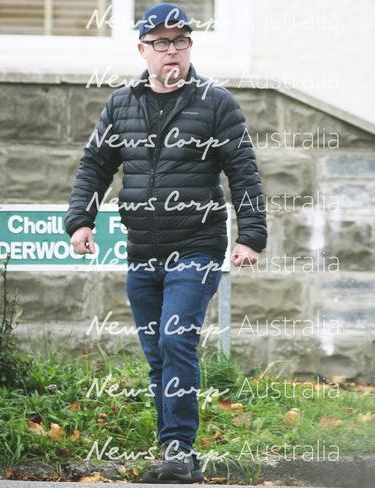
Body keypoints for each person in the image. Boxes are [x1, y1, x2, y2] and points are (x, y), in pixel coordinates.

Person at [65, 2, 267, 483]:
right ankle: (173, 451)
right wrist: (80, 221)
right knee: (159, 354)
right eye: (160, 43)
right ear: (143, 49)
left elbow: (243, 172)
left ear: (189, 47)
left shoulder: (216, 103)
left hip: (197, 246)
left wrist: (252, 235)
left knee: (177, 338)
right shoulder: (121, 103)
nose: (170, 50)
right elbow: (96, 165)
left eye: (179, 41)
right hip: (143, 251)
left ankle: (180, 449)